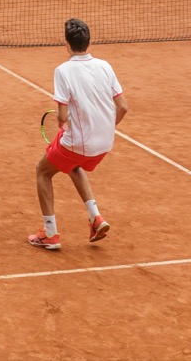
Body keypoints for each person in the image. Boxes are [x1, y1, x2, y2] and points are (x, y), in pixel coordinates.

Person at [28, 18, 129, 250]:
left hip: (80, 143)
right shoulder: (105, 66)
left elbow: (62, 116)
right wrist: (104, 128)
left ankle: (50, 234)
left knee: (42, 171)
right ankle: (96, 218)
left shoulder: (62, 71)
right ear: (89, 42)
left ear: (66, 44)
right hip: (105, 142)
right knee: (72, 165)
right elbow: (123, 107)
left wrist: (62, 126)